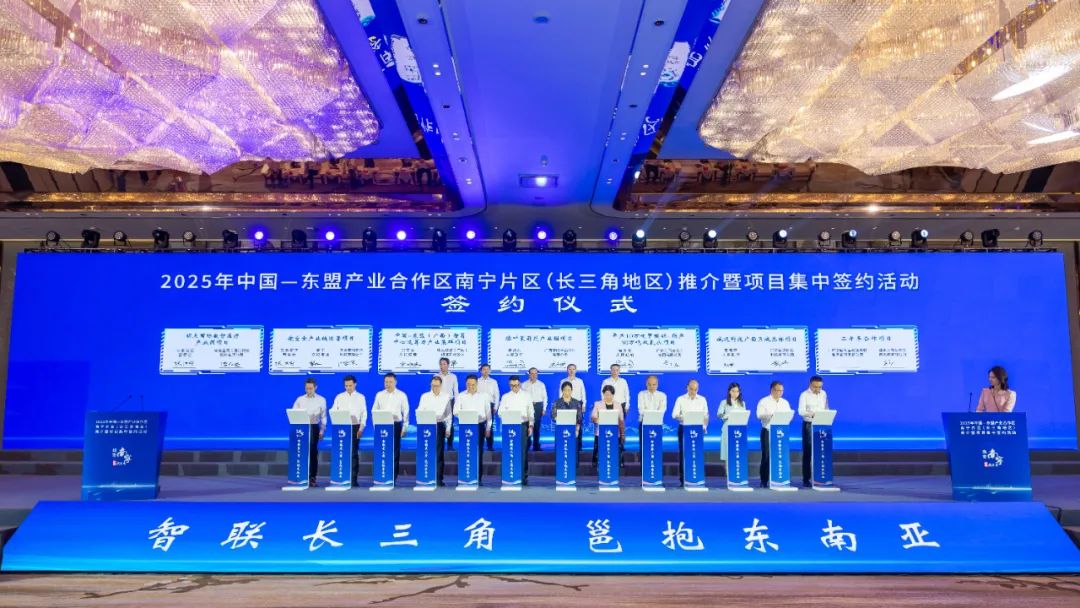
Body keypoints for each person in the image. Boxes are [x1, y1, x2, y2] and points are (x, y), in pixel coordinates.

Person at [330, 375, 367, 487]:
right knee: (342, 452)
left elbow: (364, 414)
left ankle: (353, 479)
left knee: (353, 453)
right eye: (346, 386)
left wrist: (361, 428)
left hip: (355, 427)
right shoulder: (339, 397)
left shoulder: (361, 397)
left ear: (355, 384)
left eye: (350, 385)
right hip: (341, 427)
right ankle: (341, 477)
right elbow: (333, 410)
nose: (348, 388)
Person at [372, 372, 409, 481]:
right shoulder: (379, 395)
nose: (388, 384)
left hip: (395, 425)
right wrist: (375, 427)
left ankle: (393, 476)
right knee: (382, 450)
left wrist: (405, 427)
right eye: (386, 382)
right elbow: (374, 410)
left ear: (395, 382)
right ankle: (382, 474)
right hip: (382, 426)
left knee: (395, 451)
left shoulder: (401, 395)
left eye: (390, 382)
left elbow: (406, 412)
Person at [416, 375, 452, 486]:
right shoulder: (425, 396)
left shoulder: (446, 397)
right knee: (426, 451)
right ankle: (425, 477)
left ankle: (438, 478)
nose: (435, 388)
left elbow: (449, 414)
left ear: (441, 386)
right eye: (433, 385)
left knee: (439, 452)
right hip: (426, 426)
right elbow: (419, 410)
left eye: (437, 386)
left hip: (439, 425)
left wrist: (448, 428)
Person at [455, 375, 492, 484]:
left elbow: (488, 414)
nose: (470, 386)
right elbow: (455, 411)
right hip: (465, 427)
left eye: (473, 384)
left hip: (479, 426)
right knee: (465, 451)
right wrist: (467, 415)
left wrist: (488, 428)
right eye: (468, 384)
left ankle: (477, 477)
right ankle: (464, 476)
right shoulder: (461, 396)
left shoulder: (484, 396)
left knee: (478, 452)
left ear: (477, 384)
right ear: (466, 384)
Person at [290, 377, 326, 487]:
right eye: (307, 388)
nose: (308, 390)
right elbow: (293, 413)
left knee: (312, 452)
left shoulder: (321, 400)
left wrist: (322, 430)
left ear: (315, 387)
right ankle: (300, 476)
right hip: (301, 428)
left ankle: (312, 477)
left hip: (313, 427)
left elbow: (324, 417)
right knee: (300, 451)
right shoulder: (300, 399)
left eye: (310, 388)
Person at [672, 379, 708, 486]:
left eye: (695, 389)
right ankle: (683, 479)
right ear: (687, 387)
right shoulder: (680, 399)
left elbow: (706, 415)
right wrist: (685, 417)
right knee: (684, 454)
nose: (693, 391)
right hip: (684, 428)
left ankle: (697, 477)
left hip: (698, 430)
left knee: (697, 453)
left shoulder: (702, 399)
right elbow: (674, 414)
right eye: (691, 389)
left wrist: (704, 427)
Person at [757, 381, 792, 488]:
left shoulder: (785, 402)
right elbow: (759, 415)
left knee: (780, 455)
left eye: (782, 390)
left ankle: (779, 478)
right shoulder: (764, 401)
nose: (780, 392)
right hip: (768, 431)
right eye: (778, 390)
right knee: (766, 456)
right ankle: (764, 480)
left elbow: (788, 416)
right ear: (772, 390)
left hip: (781, 432)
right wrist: (771, 415)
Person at [499, 376, 534, 484]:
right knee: (510, 451)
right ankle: (509, 475)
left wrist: (531, 425)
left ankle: (523, 476)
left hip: (522, 425)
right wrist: (508, 414)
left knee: (522, 451)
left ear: (520, 384)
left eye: (516, 385)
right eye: (512, 385)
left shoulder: (526, 396)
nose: (514, 387)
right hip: (509, 426)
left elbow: (531, 411)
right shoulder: (505, 397)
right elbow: (500, 412)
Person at [798, 375, 829, 487]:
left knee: (821, 451)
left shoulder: (824, 394)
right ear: (810, 385)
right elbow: (801, 411)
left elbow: (826, 408)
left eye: (820, 387)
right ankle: (806, 479)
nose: (818, 389)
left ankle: (821, 477)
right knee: (808, 452)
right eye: (815, 387)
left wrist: (827, 415)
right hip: (809, 424)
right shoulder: (804, 395)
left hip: (822, 425)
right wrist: (812, 414)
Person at [590, 385, 625, 469]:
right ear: (603, 394)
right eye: (606, 394)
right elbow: (593, 417)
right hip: (601, 432)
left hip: (615, 432)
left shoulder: (618, 405)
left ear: (613, 395)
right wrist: (602, 420)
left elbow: (621, 420)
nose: (607, 396)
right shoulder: (598, 404)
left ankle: (618, 464)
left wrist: (622, 434)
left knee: (617, 449)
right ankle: (596, 464)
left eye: (609, 394)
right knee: (599, 449)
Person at [716, 382, 747, 463]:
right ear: (729, 391)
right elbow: (719, 414)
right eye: (733, 391)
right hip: (728, 428)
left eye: (737, 391)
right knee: (728, 452)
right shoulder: (724, 402)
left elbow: (744, 415)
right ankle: (728, 470)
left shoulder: (742, 403)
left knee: (737, 451)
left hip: (739, 429)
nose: (735, 393)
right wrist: (727, 415)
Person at [636, 375, 668, 449]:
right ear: (646, 384)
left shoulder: (662, 395)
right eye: (649, 384)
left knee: (656, 447)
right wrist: (652, 414)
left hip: (657, 423)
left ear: (657, 384)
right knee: (644, 447)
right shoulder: (641, 394)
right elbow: (641, 410)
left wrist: (652, 415)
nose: (651, 387)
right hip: (644, 423)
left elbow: (662, 410)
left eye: (654, 384)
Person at [560, 364, 587, 451]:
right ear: (567, 370)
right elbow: (560, 394)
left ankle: (579, 446)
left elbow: (583, 394)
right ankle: (568, 445)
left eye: (573, 369)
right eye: (570, 369)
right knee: (567, 425)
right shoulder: (563, 381)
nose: (571, 371)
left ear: (575, 370)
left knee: (578, 425)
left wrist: (584, 405)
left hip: (578, 404)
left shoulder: (580, 381)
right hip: (566, 404)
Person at [523, 367, 548, 451]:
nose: (534, 375)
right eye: (532, 373)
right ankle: (527, 443)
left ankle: (536, 444)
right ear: (529, 374)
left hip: (538, 406)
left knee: (536, 426)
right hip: (527, 407)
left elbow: (545, 397)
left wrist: (544, 408)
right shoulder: (524, 384)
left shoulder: (541, 384)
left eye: (535, 373)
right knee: (527, 425)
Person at [477, 363, 500, 451]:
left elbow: (497, 395)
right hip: (479, 405)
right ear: (481, 371)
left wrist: (496, 406)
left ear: (490, 371)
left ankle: (490, 446)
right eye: (484, 369)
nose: (485, 371)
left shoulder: (493, 382)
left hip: (490, 405)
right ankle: (480, 445)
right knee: (480, 425)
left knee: (489, 425)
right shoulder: (477, 381)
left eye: (487, 369)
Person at [437, 357, 459, 450]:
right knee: (439, 422)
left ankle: (450, 444)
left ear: (448, 365)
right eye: (440, 364)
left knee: (450, 423)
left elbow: (456, 391)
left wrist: (457, 404)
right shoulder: (436, 376)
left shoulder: (453, 376)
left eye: (444, 364)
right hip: (439, 401)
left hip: (450, 401)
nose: (442, 366)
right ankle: (440, 444)